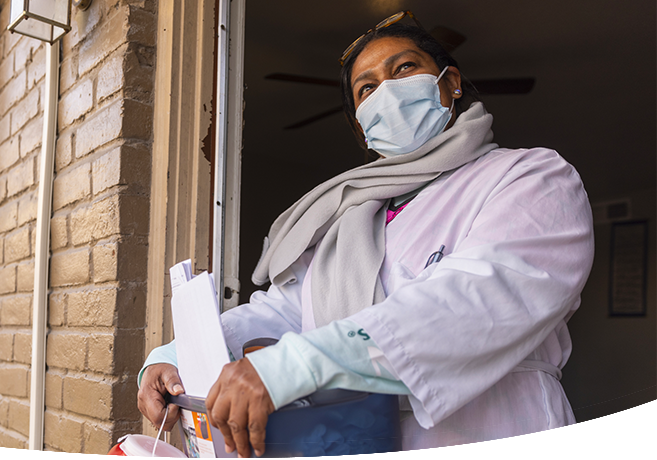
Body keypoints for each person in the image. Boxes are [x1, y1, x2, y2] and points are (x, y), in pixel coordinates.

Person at [137, 11, 594, 458]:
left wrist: (294, 366)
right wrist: (177, 356)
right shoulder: (350, 219)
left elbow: (478, 299)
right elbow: (289, 312)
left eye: (405, 68)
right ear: (363, 125)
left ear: (451, 83)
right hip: (355, 441)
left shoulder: (530, 177)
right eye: (368, 88)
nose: (387, 92)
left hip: (496, 436)